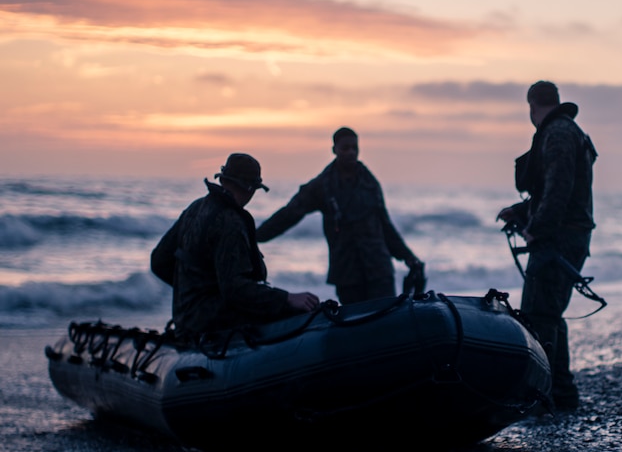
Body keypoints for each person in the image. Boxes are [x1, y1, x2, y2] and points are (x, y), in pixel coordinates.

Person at [497, 81, 597, 411]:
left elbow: (559, 189)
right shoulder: (568, 131)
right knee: (549, 313)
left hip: (559, 239)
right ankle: (562, 395)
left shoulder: (556, 134)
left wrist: (536, 228)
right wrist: (521, 211)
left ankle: (547, 397)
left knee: (540, 314)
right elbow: (558, 192)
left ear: (532, 106)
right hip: (569, 234)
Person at [151, 153, 320, 342]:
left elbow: (158, 262)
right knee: (299, 314)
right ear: (250, 189)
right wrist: (287, 298)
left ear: (222, 179)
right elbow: (235, 290)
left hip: (185, 318)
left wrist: (192, 289)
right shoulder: (230, 222)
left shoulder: (195, 208)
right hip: (209, 322)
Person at [255, 127, 423, 304]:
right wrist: (256, 236)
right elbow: (289, 214)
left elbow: (385, 225)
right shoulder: (321, 186)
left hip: (379, 269)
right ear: (334, 150)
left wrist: (408, 256)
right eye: (345, 148)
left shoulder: (370, 182)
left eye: (354, 148)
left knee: (387, 322)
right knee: (355, 326)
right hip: (347, 273)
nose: (351, 153)